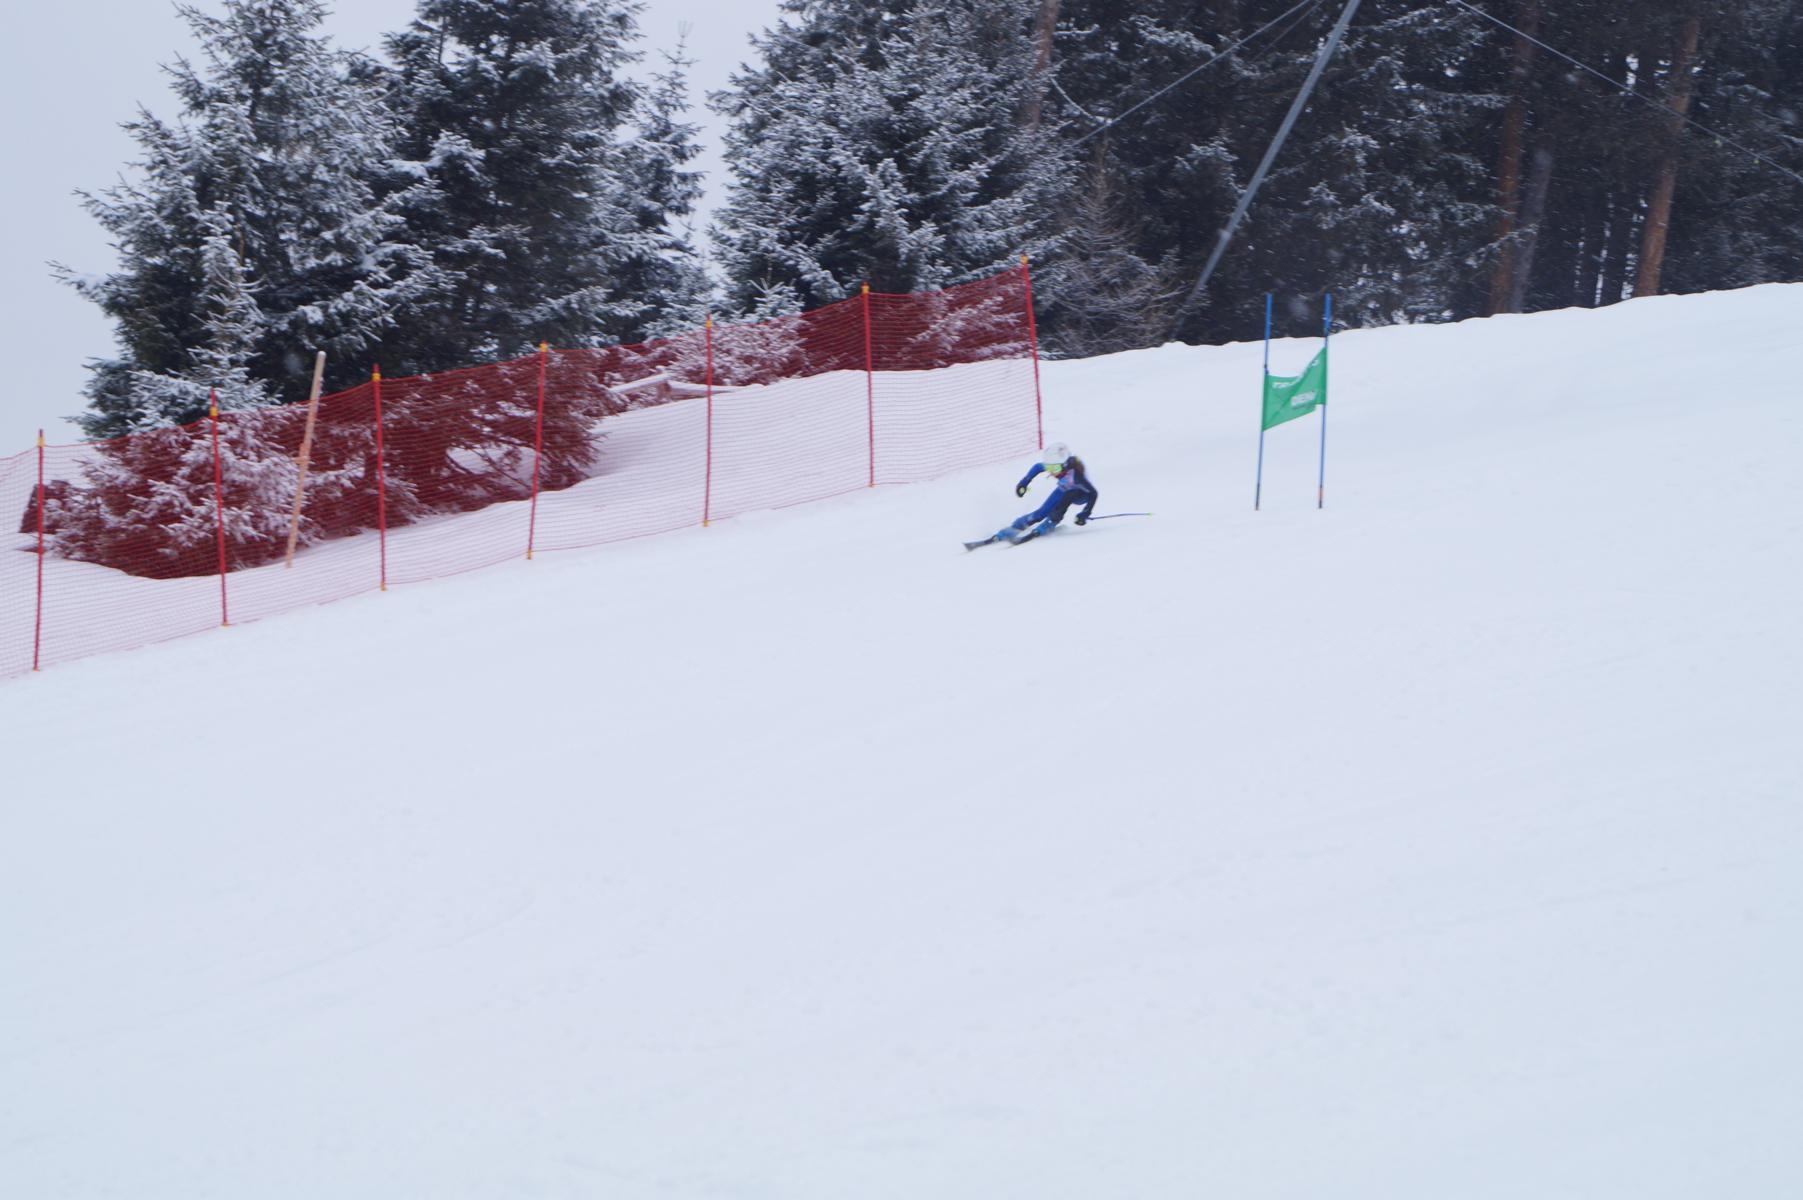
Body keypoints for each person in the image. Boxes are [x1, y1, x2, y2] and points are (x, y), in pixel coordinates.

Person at [1000, 442, 1098, 541]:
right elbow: (1037, 467)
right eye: (1049, 468)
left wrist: (1084, 513)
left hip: (1081, 494)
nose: (1052, 472)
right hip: (1065, 488)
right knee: (1041, 512)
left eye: (1055, 468)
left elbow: (1093, 494)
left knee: (1068, 496)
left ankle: (1051, 522)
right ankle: (1016, 527)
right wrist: (1023, 483)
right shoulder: (1058, 464)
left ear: (1065, 465)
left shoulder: (1077, 476)